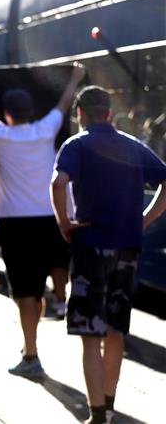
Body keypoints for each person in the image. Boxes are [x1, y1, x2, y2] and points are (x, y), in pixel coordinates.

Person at [51, 86, 166, 424]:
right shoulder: (133, 146)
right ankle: (111, 406)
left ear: (79, 114)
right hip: (127, 249)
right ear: (109, 114)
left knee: (90, 336)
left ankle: (97, 413)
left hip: (89, 247)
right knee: (116, 332)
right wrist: (146, 218)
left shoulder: (76, 145)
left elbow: (58, 184)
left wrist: (64, 223)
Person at [0, 62, 85, 378]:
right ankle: (31, 345)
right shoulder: (45, 131)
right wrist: (74, 78)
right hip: (47, 220)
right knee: (37, 289)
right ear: (31, 112)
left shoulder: (0, 135)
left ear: (7, 114)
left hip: (14, 224)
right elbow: (63, 103)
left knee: (24, 294)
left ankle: (31, 354)